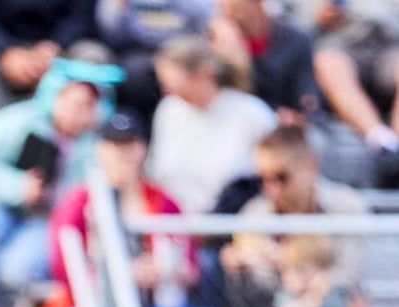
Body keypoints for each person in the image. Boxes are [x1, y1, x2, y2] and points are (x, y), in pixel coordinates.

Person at [43, 111, 222, 307]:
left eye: (130, 144)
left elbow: (190, 269)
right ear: (100, 149)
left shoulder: (165, 203)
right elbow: (66, 274)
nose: (123, 152)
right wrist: (123, 276)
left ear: (143, 149)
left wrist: (166, 272)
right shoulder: (77, 204)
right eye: (114, 144)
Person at [220, 125, 376, 307]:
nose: (272, 188)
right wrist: (247, 266)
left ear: (310, 166)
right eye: (263, 179)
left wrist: (311, 284)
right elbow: (259, 292)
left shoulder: (346, 206)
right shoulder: (256, 214)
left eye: (281, 177)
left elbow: (351, 269)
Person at [0, 60, 117, 307]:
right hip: (3, 206)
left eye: (87, 106)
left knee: (20, 267)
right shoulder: (11, 122)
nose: (77, 113)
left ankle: (19, 305)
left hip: (48, 218)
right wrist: (18, 186)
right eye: (73, 103)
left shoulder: (98, 146)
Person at [147, 38, 276, 215]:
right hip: (174, 224)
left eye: (174, 84)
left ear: (203, 73)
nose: (169, 91)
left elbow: (271, 178)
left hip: (232, 221)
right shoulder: (168, 110)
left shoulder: (253, 114)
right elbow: (158, 172)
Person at [0, 0, 102, 137]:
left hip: (60, 49)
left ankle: (81, 152)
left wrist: (55, 47)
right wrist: (6, 50)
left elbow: (81, 16)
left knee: (92, 55)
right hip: (1, 50)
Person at [305, 0, 399, 185]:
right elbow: (293, 33)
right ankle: (383, 143)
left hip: (388, 44)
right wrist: (318, 19)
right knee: (330, 63)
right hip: (337, 43)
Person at [206, 0, 318, 124]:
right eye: (223, 8)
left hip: (285, 123)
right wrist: (234, 59)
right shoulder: (216, 44)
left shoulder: (295, 39)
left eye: (236, 9)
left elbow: (305, 92)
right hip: (242, 122)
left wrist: (300, 113)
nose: (229, 15)